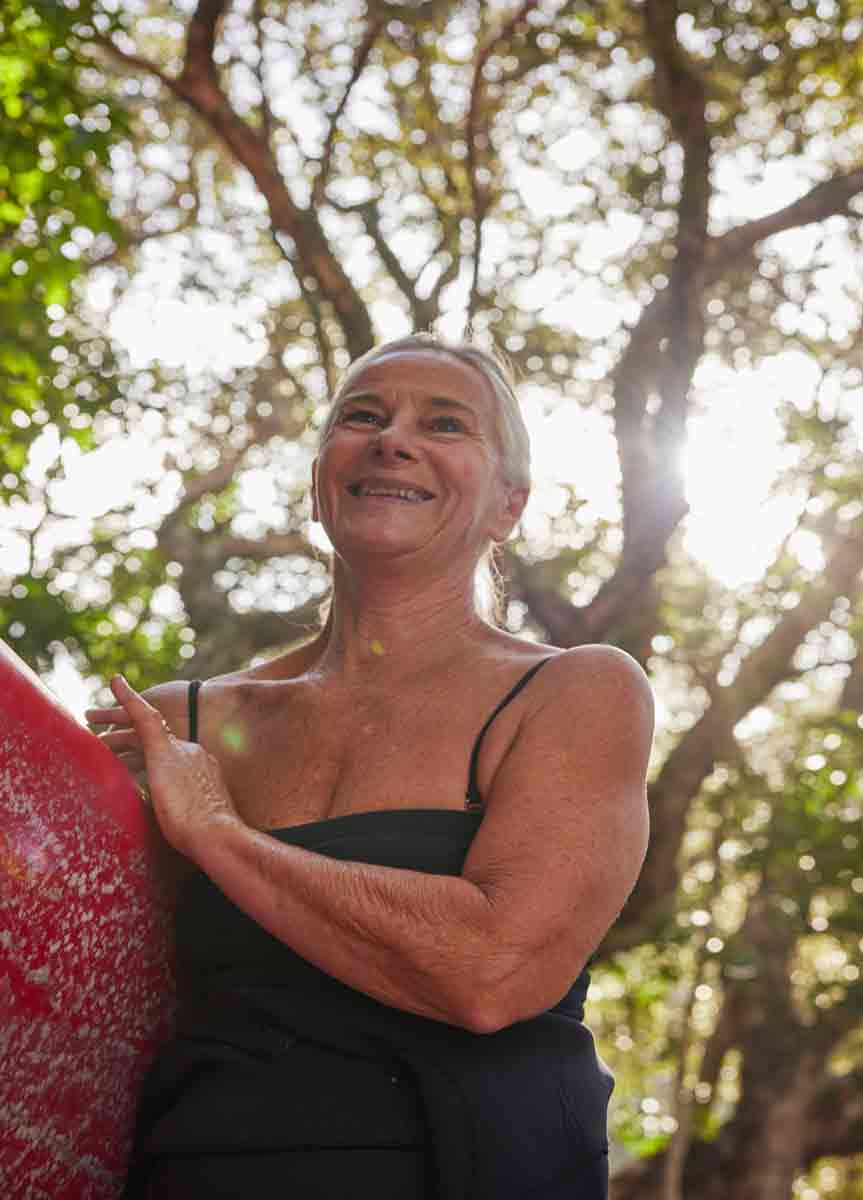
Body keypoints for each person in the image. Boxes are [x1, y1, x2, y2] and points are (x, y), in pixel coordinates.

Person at [86, 333, 653, 1199]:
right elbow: (83, 982)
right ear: (322, 479)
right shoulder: (181, 719)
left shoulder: (575, 693)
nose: (393, 439)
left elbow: (493, 972)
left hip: (470, 1170)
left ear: (507, 504)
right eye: (363, 416)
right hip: (197, 1169)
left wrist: (219, 835)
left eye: (446, 423)